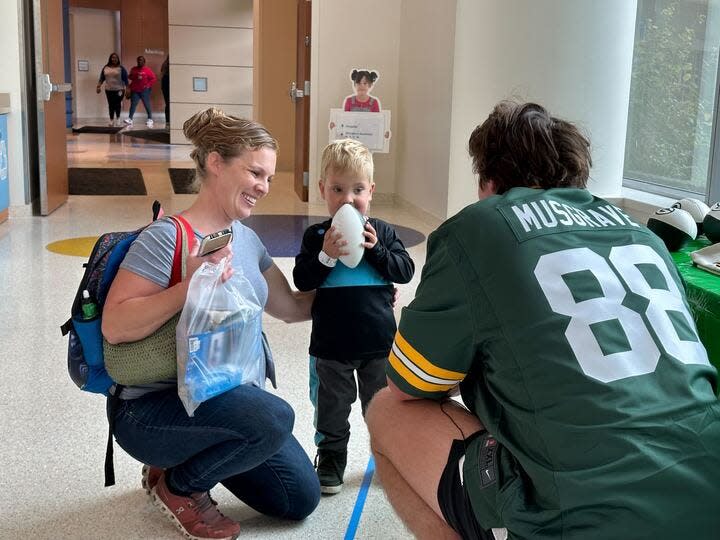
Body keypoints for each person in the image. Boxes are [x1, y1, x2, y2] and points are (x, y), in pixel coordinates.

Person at [366, 101, 720, 540]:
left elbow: (408, 384)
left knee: (385, 411)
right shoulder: (644, 236)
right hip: (708, 492)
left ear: (488, 181)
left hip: (589, 515)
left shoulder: (480, 225)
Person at [102, 108, 320, 540]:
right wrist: (190, 285)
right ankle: (180, 487)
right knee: (275, 416)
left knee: (300, 498)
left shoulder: (247, 239)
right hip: (151, 411)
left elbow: (293, 308)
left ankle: (184, 461)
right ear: (216, 162)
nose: (263, 187)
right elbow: (115, 325)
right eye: (255, 172)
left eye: (269, 178)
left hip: (220, 398)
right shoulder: (167, 236)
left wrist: (359, 293)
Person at [292, 139, 414, 494]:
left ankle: (389, 457)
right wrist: (326, 256)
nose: (348, 199)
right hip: (331, 347)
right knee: (331, 406)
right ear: (322, 191)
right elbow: (302, 279)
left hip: (378, 345)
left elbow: (405, 269)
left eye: (357, 189)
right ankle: (331, 456)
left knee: (380, 407)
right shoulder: (316, 236)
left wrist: (377, 252)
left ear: (371, 191)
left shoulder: (384, 232)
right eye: (338, 189)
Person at [96, 53, 128, 127]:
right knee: (111, 105)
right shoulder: (105, 67)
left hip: (119, 90)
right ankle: (111, 120)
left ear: (118, 59)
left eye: (116, 58)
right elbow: (102, 78)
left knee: (117, 104)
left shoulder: (121, 68)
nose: (114, 59)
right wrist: (98, 86)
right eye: (113, 57)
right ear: (110, 59)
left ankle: (118, 119)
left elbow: (125, 79)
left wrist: (128, 89)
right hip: (109, 89)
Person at [125, 55, 156, 127]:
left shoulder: (147, 70)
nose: (140, 61)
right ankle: (130, 119)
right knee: (133, 104)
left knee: (146, 104)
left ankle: (150, 119)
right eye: (138, 60)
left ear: (144, 62)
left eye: (141, 60)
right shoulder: (134, 69)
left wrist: (148, 85)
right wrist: (131, 76)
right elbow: (130, 77)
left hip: (144, 90)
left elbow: (153, 79)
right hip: (135, 90)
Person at [161, 55, 170, 125]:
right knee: (168, 104)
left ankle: (168, 121)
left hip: (166, 84)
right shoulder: (165, 64)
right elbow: (162, 74)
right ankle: (168, 121)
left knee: (168, 104)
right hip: (166, 84)